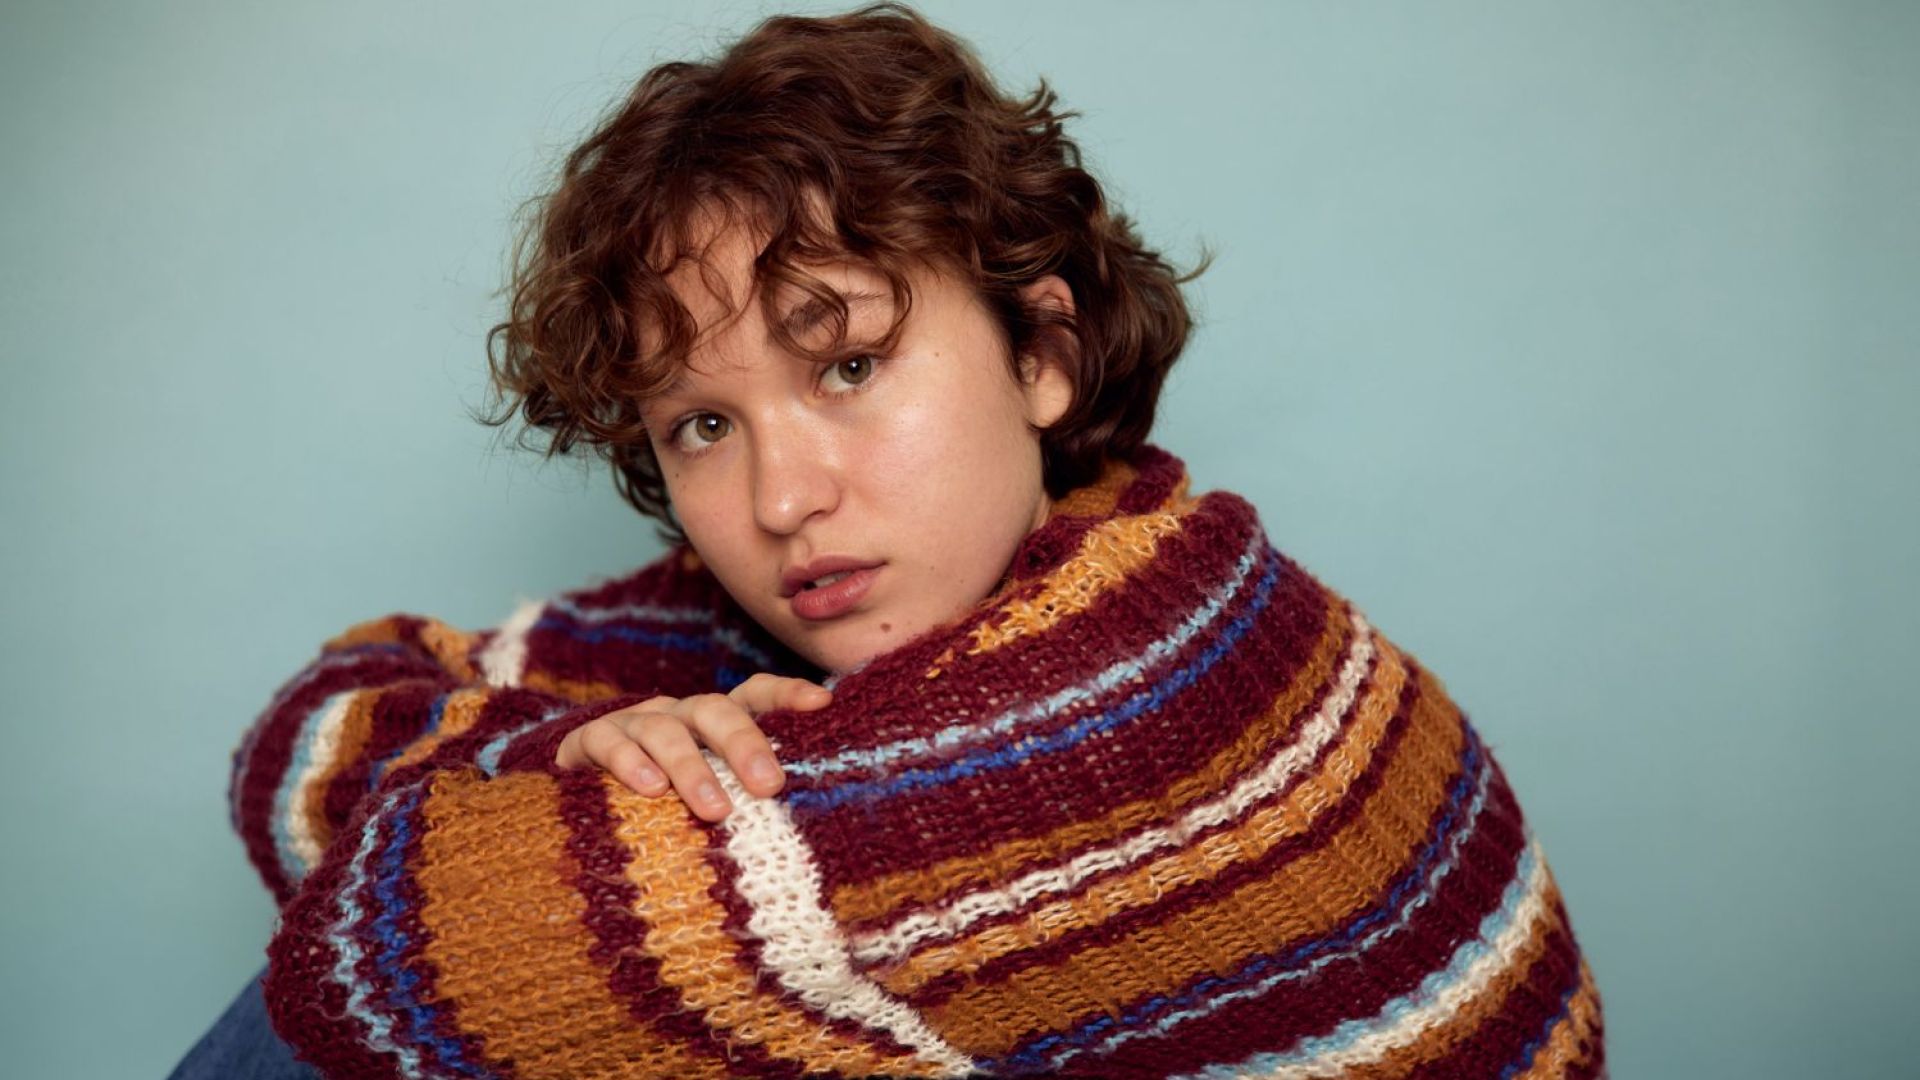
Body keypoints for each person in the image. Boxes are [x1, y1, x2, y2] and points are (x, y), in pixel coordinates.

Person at [176, 4, 1605, 1077]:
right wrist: (556, 745)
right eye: (701, 425)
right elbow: (307, 736)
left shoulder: (1135, 692)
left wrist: (506, 783)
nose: (781, 498)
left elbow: (380, 957)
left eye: (848, 367)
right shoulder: (862, 605)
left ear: (1041, 355)